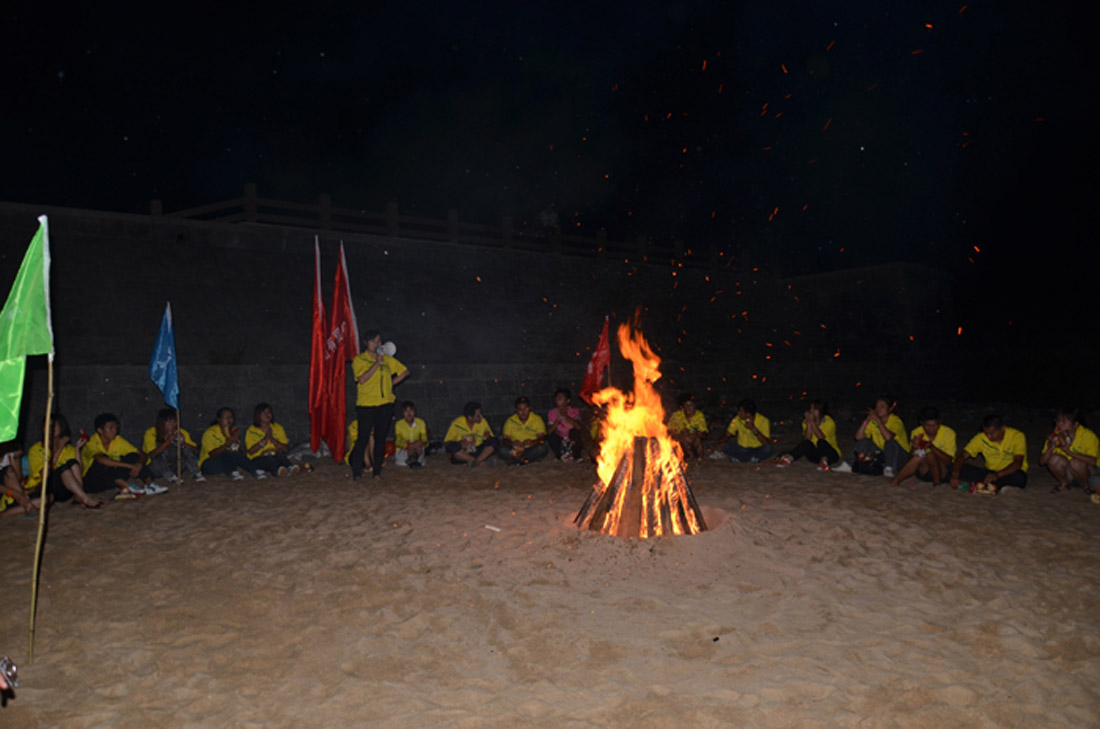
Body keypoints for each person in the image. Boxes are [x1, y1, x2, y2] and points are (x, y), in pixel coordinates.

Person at [350, 330, 408, 479]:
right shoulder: (359, 360)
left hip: (385, 404)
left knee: (380, 439)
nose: (377, 344)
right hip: (366, 405)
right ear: (366, 343)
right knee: (363, 438)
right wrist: (377, 363)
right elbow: (362, 379)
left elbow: (404, 372)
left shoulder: (387, 359)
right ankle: (357, 472)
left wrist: (391, 384)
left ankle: (377, 472)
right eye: (373, 341)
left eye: (379, 341)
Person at [81, 413, 167, 498]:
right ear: (100, 430)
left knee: (133, 456)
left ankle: (150, 485)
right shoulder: (91, 442)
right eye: (111, 428)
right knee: (103, 462)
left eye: (116, 428)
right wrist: (130, 466)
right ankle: (127, 486)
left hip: (111, 479)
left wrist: (138, 465)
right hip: (92, 482)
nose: (115, 431)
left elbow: (142, 454)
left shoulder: (117, 440)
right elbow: (101, 460)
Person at [26, 414, 102, 508]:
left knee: (72, 463)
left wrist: (77, 449)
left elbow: (79, 472)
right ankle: (85, 499)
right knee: (63, 469)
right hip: (44, 488)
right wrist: (59, 449)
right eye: (46, 426)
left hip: (65, 490)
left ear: (62, 427)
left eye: (53, 425)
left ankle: (79, 496)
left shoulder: (69, 449)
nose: (50, 429)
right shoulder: (37, 449)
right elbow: (45, 473)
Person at [950, 413, 1029, 493]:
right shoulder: (981, 438)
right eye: (986, 433)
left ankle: (988, 485)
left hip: (1009, 472)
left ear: (1003, 429)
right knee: (959, 467)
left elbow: (1018, 463)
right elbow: (963, 455)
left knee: (1020, 478)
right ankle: (994, 486)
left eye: (991, 434)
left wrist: (997, 475)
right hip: (990, 472)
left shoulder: (1017, 436)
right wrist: (955, 474)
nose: (988, 436)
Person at [834, 395, 909, 477]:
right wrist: (867, 420)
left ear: (890, 409)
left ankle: (889, 468)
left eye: (882, 406)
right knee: (864, 440)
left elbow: (888, 437)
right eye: (877, 406)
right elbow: (858, 437)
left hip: (900, 455)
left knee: (890, 443)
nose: (878, 409)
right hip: (883, 454)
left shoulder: (896, 421)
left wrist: (879, 421)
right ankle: (848, 464)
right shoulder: (873, 422)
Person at [890, 406, 957, 486]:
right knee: (919, 457)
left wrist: (932, 447)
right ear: (921, 423)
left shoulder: (949, 433)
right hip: (925, 471)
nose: (931, 428)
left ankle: (937, 481)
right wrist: (913, 448)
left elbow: (949, 461)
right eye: (927, 425)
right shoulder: (917, 432)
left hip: (943, 471)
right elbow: (910, 458)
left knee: (930, 454)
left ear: (939, 423)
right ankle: (896, 480)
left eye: (935, 425)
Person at [1038, 407, 1098, 493]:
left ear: (1076, 424)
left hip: (1088, 474)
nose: (1059, 424)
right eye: (1058, 421)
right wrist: (1050, 448)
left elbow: (1092, 461)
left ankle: (1087, 486)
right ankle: (1064, 484)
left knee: (1076, 463)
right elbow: (1041, 462)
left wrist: (1068, 452)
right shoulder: (1055, 436)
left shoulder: (1088, 436)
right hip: (1070, 474)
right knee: (1054, 459)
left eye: (1064, 422)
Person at [142, 408, 204, 484]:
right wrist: (167, 442)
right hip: (156, 467)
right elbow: (152, 454)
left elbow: (196, 451)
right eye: (169, 422)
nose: (173, 424)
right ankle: (171, 477)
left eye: (174, 421)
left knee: (185, 449)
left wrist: (183, 443)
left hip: (175, 466)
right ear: (162, 423)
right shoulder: (151, 433)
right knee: (159, 453)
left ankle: (196, 474)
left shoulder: (181, 432)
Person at [200, 407, 263, 480]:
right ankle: (232, 472)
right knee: (225, 453)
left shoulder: (233, 432)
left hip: (225, 464)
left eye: (231, 417)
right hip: (209, 464)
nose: (229, 420)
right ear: (219, 419)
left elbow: (237, 453)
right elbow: (212, 454)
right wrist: (226, 445)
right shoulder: (210, 433)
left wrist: (235, 443)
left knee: (231, 454)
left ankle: (255, 470)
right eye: (226, 417)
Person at [777, 399, 840, 469]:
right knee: (806, 443)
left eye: (813, 409)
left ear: (820, 411)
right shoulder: (805, 421)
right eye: (811, 408)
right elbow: (807, 438)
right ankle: (789, 459)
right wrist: (809, 423)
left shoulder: (829, 421)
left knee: (821, 442)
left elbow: (821, 437)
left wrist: (812, 421)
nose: (811, 411)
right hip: (816, 455)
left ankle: (824, 462)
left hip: (830, 453)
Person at [245, 403, 298, 477]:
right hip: (258, 458)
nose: (267, 414)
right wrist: (264, 440)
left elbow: (286, 449)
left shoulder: (277, 427)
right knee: (269, 460)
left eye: (269, 412)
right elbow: (250, 452)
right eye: (264, 412)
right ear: (258, 415)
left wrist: (274, 441)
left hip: (275, 455)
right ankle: (278, 471)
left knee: (281, 457)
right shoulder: (252, 430)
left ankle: (289, 468)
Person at [717, 399, 774, 463]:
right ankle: (751, 459)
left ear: (748, 414)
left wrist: (754, 429)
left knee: (768, 448)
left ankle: (741, 458)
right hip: (741, 449)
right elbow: (727, 434)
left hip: (757, 449)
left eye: (740, 412)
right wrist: (721, 442)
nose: (738, 413)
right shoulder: (737, 419)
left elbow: (766, 442)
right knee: (725, 446)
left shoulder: (763, 421)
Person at [444, 401, 498, 466]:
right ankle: (479, 462)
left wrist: (488, 436)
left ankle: (474, 462)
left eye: (481, 414)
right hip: (463, 452)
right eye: (478, 416)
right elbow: (447, 443)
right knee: (451, 448)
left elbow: (490, 438)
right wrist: (462, 443)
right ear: (470, 417)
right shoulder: (457, 423)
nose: (481, 417)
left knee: (495, 441)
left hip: (478, 450)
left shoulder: (483, 421)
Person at [500, 396, 549, 465]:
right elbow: (505, 440)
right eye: (520, 410)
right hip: (516, 449)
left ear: (530, 408)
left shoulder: (537, 419)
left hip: (531, 448)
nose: (523, 412)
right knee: (502, 450)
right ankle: (527, 460)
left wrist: (533, 442)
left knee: (542, 449)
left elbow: (542, 438)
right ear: (516, 410)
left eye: (526, 409)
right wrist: (513, 443)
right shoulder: (510, 421)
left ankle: (516, 460)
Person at [667, 393, 708, 460]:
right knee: (683, 438)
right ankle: (689, 456)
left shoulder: (699, 415)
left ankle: (700, 458)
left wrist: (696, 434)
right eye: (687, 406)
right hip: (681, 441)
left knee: (698, 441)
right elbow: (671, 432)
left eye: (691, 405)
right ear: (682, 408)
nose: (689, 408)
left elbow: (704, 432)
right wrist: (683, 435)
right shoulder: (676, 416)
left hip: (694, 439)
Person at [547, 388, 583, 462]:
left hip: (571, 439)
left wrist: (566, 416)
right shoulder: (552, 413)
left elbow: (579, 427)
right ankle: (559, 455)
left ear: (568, 401)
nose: (558, 400)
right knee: (551, 437)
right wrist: (558, 420)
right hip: (560, 439)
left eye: (560, 398)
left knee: (575, 432)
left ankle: (576, 455)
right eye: (557, 398)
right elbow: (549, 431)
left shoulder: (574, 411)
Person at [394, 401, 428, 468]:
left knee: (418, 444)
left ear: (414, 412)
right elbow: (398, 441)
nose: (409, 413)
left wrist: (421, 442)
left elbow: (425, 439)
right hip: (404, 449)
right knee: (412, 446)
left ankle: (413, 460)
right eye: (406, 411)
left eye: (411, 410)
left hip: (418, 449)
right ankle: (413, 461)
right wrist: (409, 445)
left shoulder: (421, 422)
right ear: (402, 413)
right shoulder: (399, 424)